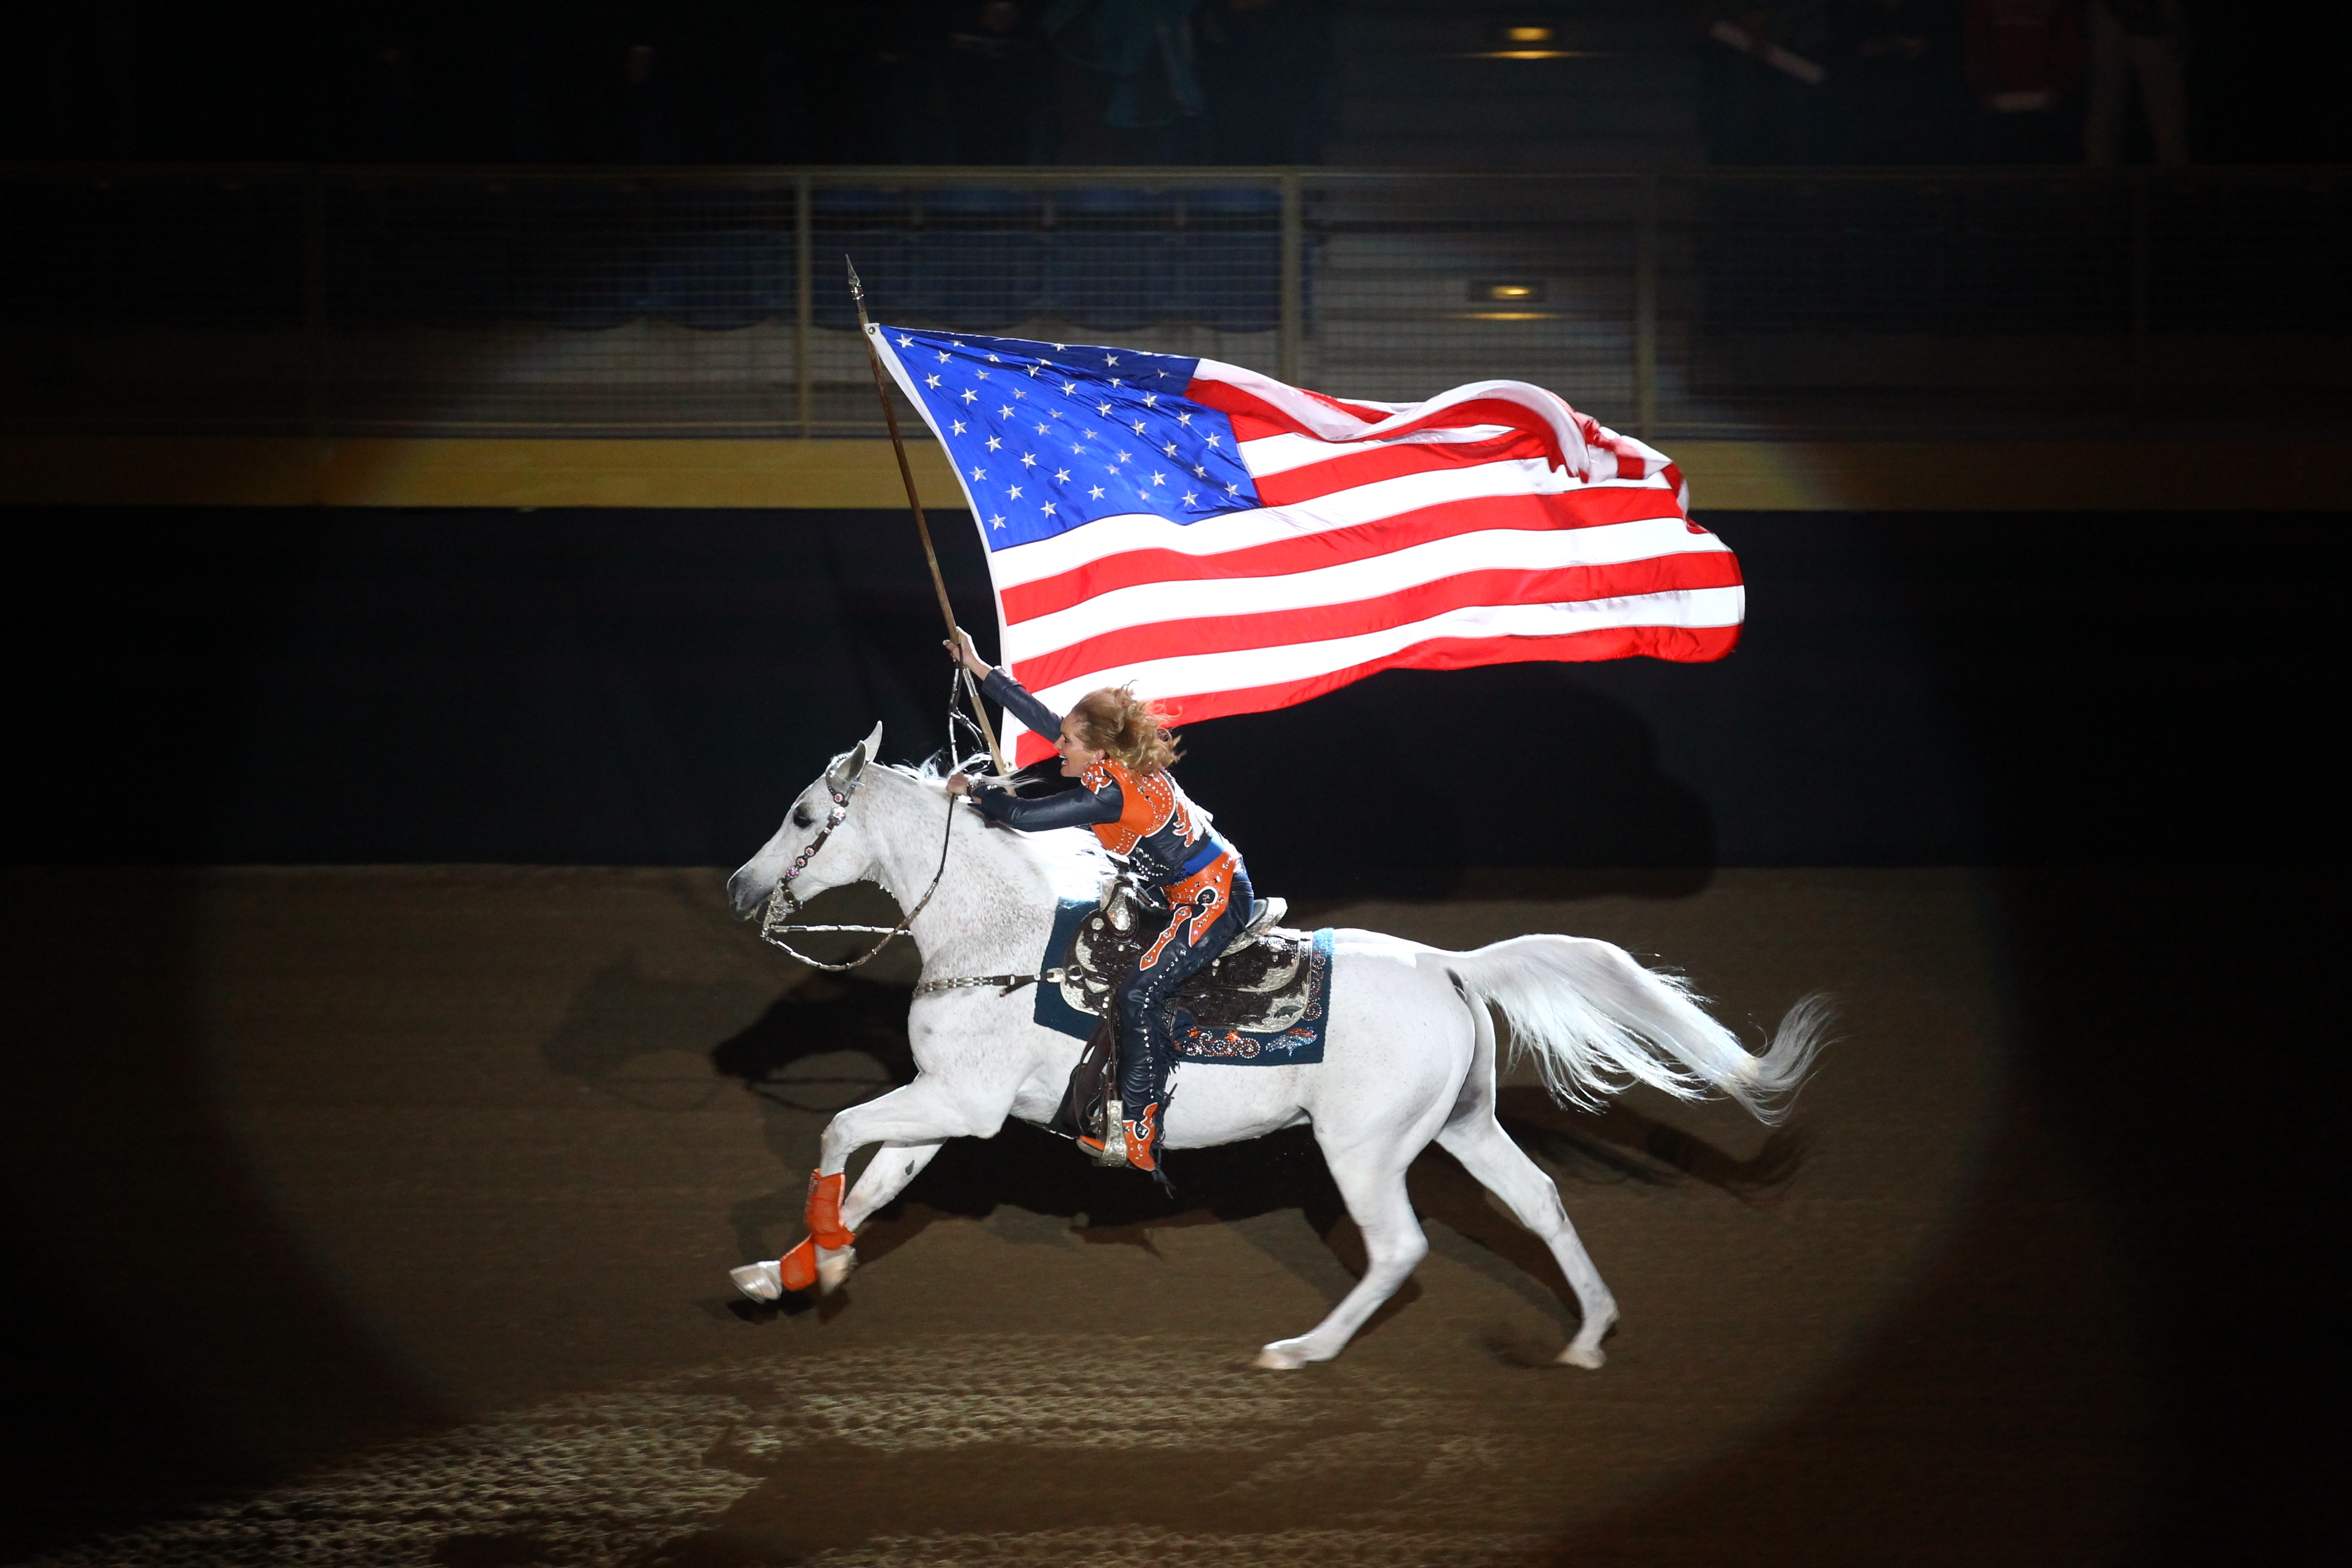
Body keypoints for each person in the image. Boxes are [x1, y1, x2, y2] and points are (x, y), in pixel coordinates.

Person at [944, 630, 1253, 1178]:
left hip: (1213, 899)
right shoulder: (1109, 763)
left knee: (1139, 993)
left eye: (1067, 743)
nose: (1056, 747)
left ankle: (1139, 1130)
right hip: (1190, 884)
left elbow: (1021, 818)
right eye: (1063, 739)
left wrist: (974, 790)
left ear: (1098, 751)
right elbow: (1042, 718)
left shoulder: (1110, 792)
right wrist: (980, 667)